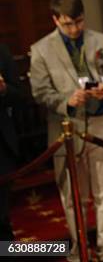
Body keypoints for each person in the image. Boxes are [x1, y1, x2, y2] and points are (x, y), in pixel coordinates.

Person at [29, 0, 103, 262]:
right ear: (56, 19)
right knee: (73, 196)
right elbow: (39, 92)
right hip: (66, 128)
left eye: (79, 22)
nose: (75, 28)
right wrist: (65, 100)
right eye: (68, 23)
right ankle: (81, 249)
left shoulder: (101, 41)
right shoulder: (41, 50)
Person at [0, 43, 24, 241]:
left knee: (2, 219)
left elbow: (19, 94)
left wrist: (3, 89)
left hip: (1, 149)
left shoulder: (1, 51)